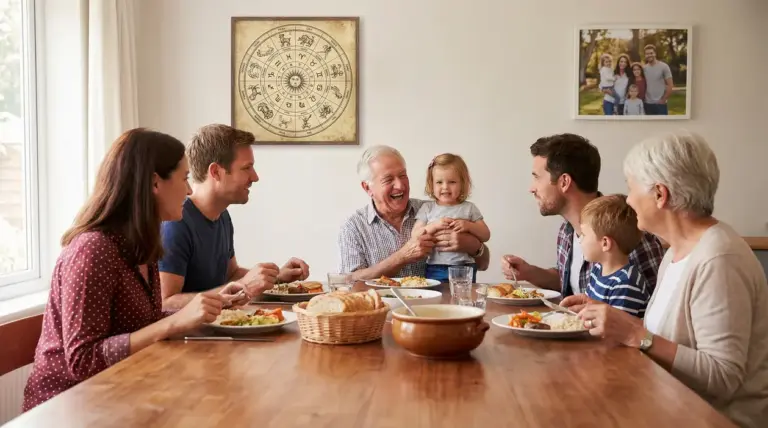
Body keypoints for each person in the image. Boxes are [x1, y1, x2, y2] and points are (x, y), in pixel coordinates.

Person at [562, 131, 768, 427]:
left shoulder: (719, 259)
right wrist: (611, 316)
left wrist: (636, 335)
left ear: (660, 194)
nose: (628, 200)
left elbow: (723, 378)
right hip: (667, 405)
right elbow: (665, 339)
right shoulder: (674, 252)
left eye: (631, 188)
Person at [23, 129, 229, 411]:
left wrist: (204, 312)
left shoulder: (141, 244)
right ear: (155, 183)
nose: (190, 190)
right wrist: (174, 322)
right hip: (68, 408)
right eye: (184, 179)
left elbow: (142, 324)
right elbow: (82, 360)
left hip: (122, 392)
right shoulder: (92, 250)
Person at [159, 124, 309, 310]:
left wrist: (276, 277)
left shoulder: (222, 215)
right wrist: (245, 286)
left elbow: (231, 275)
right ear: (216, 172)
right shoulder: (175, 224)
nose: (255, 177)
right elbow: (165, 303)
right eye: (247, 168)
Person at [501, 133, 664, 298]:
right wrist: (529, 272)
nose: (531, 188)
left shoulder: (627, 230)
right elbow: (569, 282)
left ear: (564, 182)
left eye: (537, 178)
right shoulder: (566, 230)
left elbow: (656, 303)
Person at [338, 145, 489, 280]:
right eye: (388, 179)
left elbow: (484, 264)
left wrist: (473, 246)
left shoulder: (433, 209)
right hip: (382, 302)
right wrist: (402, 256)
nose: (400, 185)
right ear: (367, 188)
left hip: (435, 301)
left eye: (402, 175)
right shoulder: (353, 227)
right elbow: (349, 280)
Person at [412, 153, 490, 282]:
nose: (445, 187)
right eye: (439, 182)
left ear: (462, 184)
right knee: (436, 294)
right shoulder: (427, 208)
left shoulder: (469, 208)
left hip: (465, 267)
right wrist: (434, 226)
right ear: (431, 184)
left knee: (463, 294)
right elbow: (415, 236)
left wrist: (469, 226)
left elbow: (486, 235)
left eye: (452, 182)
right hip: (435, 267)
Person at [579, 194, 650, 317]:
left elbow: (616, 327)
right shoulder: (597, 269)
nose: (580, 240)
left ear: (605, 243)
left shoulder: (625, 283)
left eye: (584, 235)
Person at [643, 44, 674, 115]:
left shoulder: (664, 66)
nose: (649, 55)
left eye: (651, 53)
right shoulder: (644, 68)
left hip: (660, 104)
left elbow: (670, 85)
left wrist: (663, 99)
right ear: (645, 55)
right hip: (647, 104)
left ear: (655, 53)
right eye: (647, 54)